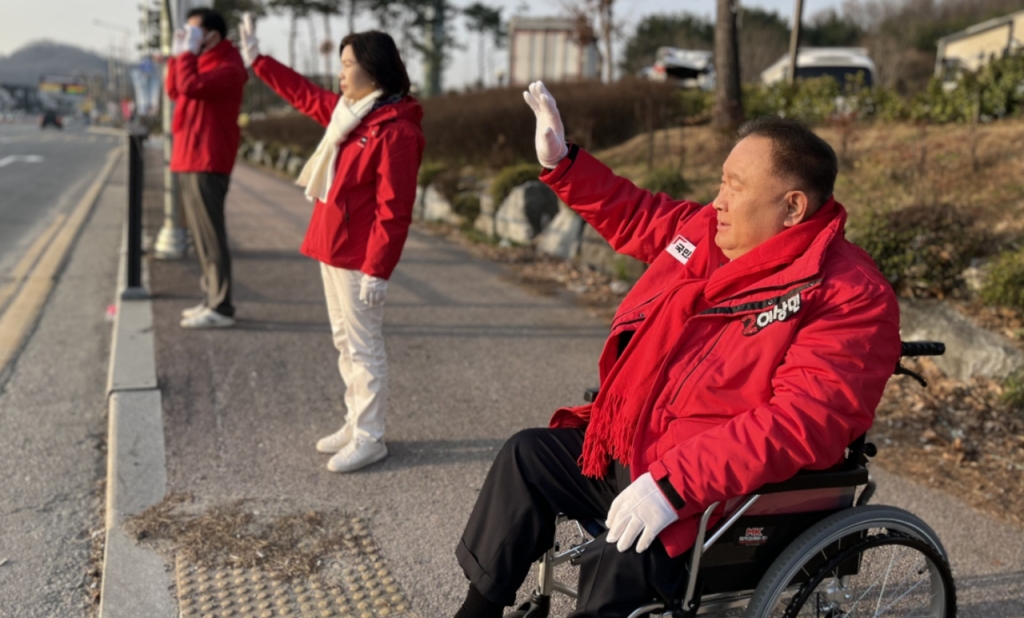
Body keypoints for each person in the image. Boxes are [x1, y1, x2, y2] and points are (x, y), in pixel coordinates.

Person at [451, 83, 902, 618]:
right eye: (721, 182)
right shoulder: (710, 232)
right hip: (643, 445)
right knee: (527, 456)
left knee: (620, 554)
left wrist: (672, 487)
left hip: (720, 495)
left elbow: (801, 421)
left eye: (735, 187)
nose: (719, 200)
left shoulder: (849, 295)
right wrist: (563, 163)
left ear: (792, 207)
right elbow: (638, 216)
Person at [238, 18, 424, 472]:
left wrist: (378, 270)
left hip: (360, 257)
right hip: (333, 246)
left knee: (364, 347)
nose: (340, 74)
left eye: (347, 64)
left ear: (373, 70)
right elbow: (302, 93)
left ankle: (370, 437)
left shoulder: (396, 130)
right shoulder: (350, 114)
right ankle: (355, 421)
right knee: (345, 342)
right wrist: (258, 60)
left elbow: (394, 210)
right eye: (340, 64)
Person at [166, 8, 248, 329]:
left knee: (211, 236)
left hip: (208, 159)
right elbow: (174, 89)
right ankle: (210, 297)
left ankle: (221, 306)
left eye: (194, 32)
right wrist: (177, 57)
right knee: (199, 237)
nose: (189, 38)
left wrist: (186, 56)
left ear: (212, 35)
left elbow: (190, 86)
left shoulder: (229, 66)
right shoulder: (202, 61)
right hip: (190, 155)